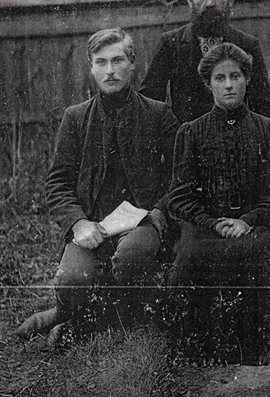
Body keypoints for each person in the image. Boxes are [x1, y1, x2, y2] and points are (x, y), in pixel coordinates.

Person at [16, 28, 180, 341]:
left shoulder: (159, 114)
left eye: (118, 60)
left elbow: (179, 179)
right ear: (91, 68)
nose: (110, 70)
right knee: (73, 279)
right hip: (92, 224)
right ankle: (67, 312)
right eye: (101, 62)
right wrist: (78, 223)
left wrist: (157, 213)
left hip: (141, 222)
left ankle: (79, 323)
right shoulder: (75, 118)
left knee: (130, 259)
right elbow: (58, 182)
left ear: (133, 64)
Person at [165, 42, 270, 363]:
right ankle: (196, 351)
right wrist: (212, 222)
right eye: (220, 78)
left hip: (255, 224)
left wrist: (247, 220)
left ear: (247, 79)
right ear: (208, 84)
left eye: (235, 76)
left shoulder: (268, 129)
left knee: (258, 254)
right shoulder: (191, 132)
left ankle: (257, 351)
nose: (229, 84)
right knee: (190, 257)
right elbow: (179, 197)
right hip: (207, 226)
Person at [140, 0, 270, 123]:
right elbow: (150, 102)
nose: (210, 3)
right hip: (188, 141)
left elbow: (263, 106)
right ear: (190, 0)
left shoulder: (247, 45)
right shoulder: (171, 44)